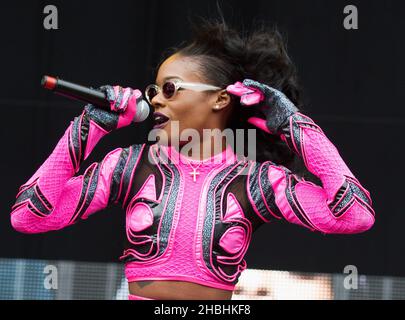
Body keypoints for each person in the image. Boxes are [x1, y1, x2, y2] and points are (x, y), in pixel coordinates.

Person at [10, 19, 375, 300]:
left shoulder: (259, 181)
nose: (155, 100)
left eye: (169, 89)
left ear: (219, 99)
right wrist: (88, 127)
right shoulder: (127, 165)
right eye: (154, 91)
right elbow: (27, 217)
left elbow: (355, 214)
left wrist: (293, 124)